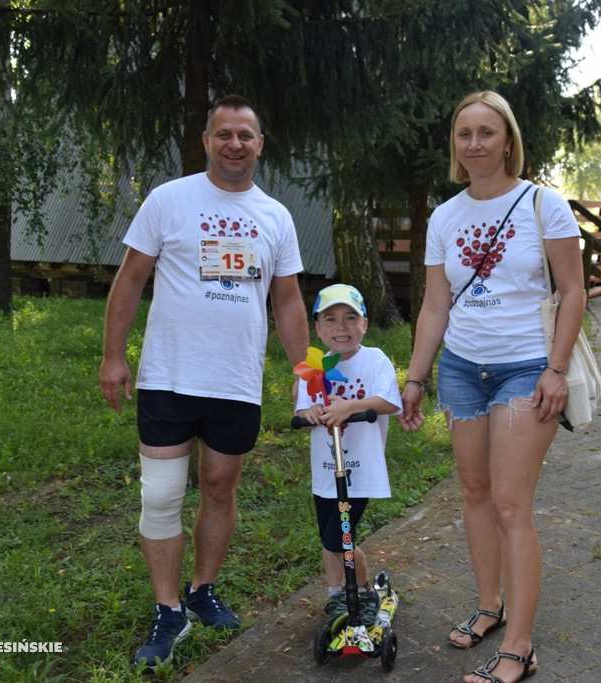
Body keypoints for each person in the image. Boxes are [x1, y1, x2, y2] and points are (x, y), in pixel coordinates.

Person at [99, 95, 309, 669]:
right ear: (207, 140)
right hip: (168, 375)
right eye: (224, 134)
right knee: (162, 494)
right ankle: (169, 611)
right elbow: (129, 280)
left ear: (259, 144)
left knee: (220, 487)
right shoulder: (170, 200)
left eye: (246, 134)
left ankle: (201, 589)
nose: (235, 144)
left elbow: (287, 299)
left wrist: (305, 372)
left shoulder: (276, 217)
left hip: (235, 379)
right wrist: (113, 357)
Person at [399, 90, 585, 683]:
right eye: (464, 134)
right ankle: (489, 606)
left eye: (486, 132)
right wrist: (416, 374)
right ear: (454, 145)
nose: (474, 143)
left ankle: (520, 649)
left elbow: (574, 292)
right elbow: (434, 305)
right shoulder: (445, 216)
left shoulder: (542, 205)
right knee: (475, 494)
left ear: (508, 140)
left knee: (510, 504)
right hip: (460, 369)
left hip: (524, 370)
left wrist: (556, 371)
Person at [293, 284, 401, 629]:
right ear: (319, 329)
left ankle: (350, 592)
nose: (341, 327)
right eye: (331, 319)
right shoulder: (313, 368)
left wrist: (352, 407)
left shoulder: (374, 359)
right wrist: (310, 412)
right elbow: (302, 409)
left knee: (336, 536)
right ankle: (348, 592)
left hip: (359, 469)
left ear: (365, 324)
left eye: (350, 318)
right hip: (326, 469)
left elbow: (389, 401)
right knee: (339, 536)